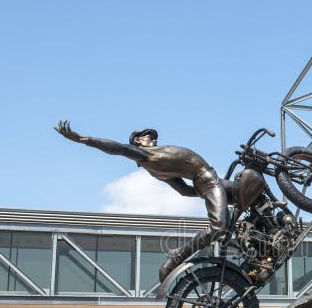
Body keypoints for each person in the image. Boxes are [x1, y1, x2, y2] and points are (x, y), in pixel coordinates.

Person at [54, 120, 229, 282]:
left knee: (254, 189)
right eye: (148, 136)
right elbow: (118, 148)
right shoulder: (147, 156)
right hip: (209, 181)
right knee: (219, 227)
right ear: (137, 142)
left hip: (209, 183)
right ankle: (178, 255)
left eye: (153, 137)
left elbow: (183, 190)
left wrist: (208, 194)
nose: (153, 139)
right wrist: (82, 139)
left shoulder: (157, 162)